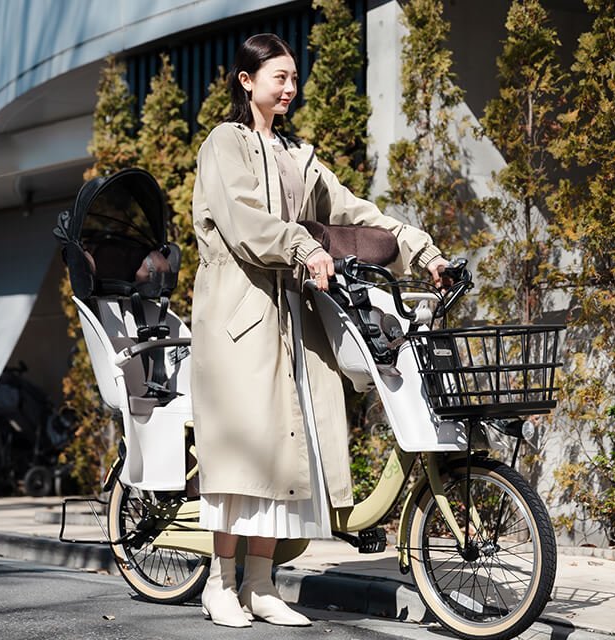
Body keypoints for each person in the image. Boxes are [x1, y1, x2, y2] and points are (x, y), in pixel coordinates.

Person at [190, 33, 449, 629]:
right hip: (239, 319)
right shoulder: (222, 145)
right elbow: (244, 222)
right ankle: (220, 583)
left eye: (293, 78)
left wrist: (421, 249)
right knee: (242, 456)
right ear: (245, 81)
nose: (289, 87)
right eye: (278, 77)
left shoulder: (299, 157)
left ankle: (261, 582)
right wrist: (303, 244)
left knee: (283, 457)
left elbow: (355, 212)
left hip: (293, 320)